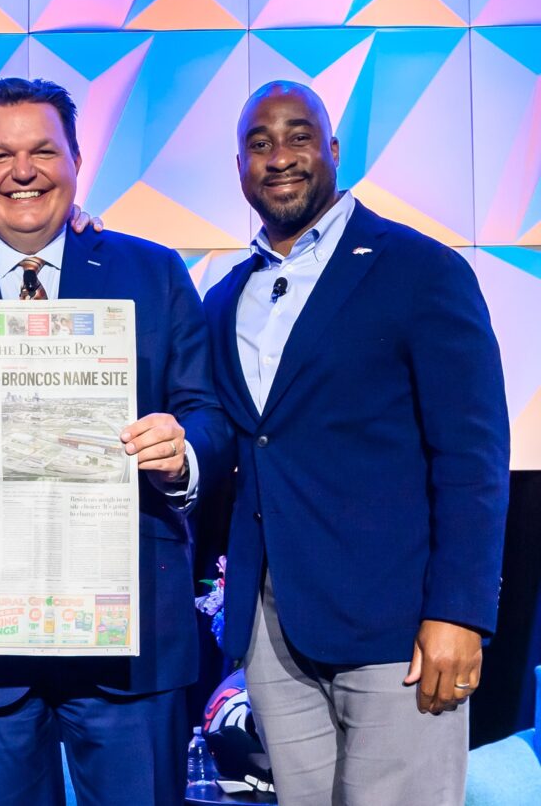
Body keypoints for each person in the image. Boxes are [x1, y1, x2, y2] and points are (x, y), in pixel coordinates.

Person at [0, 77, 233, 806]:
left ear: (77, 160)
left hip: (129, 631)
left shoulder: (152, 271)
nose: (21, 171)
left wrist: (179, 451)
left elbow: (210, 417)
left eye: (42, 151)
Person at [202, 81, 510, 805]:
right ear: (240, 165)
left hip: (400, 628)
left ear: (334, 150)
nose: (280, 156)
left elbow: (472, 457)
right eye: (259, 142)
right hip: (273, 632)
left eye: (299, 135)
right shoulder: (226, 298)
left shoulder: (419, 270)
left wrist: (460, 612)